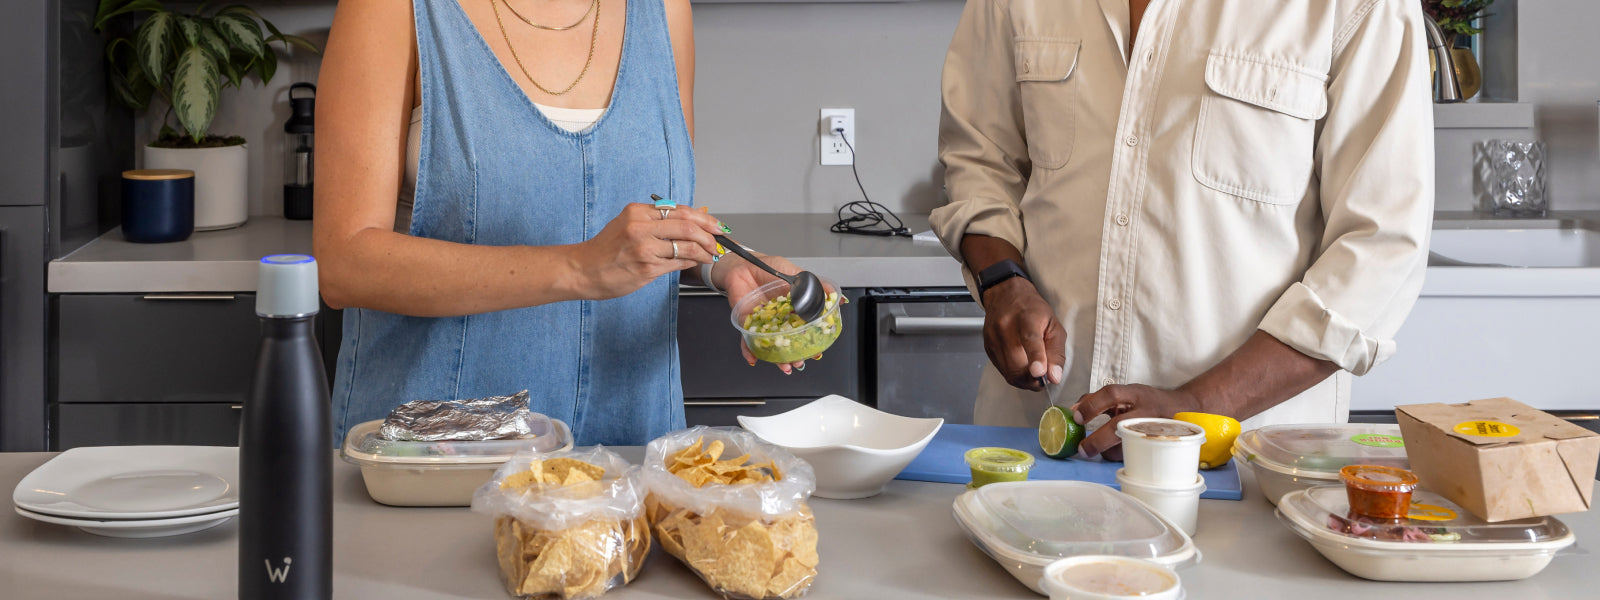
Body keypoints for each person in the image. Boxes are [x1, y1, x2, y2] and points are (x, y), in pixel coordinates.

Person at [931, 0, 1434, 459]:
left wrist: (1197, 405)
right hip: (1036, 444)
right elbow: (978, 158)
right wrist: (1003, 283)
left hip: (1246, 465)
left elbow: (1381, 245)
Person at [314, 0, 805, 446]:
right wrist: (578, 267)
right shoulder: (390, 7)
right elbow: (343, 262)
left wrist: (728, 265)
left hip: (630, 447)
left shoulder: (664, 9)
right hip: (441, 451)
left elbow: (662, 216)